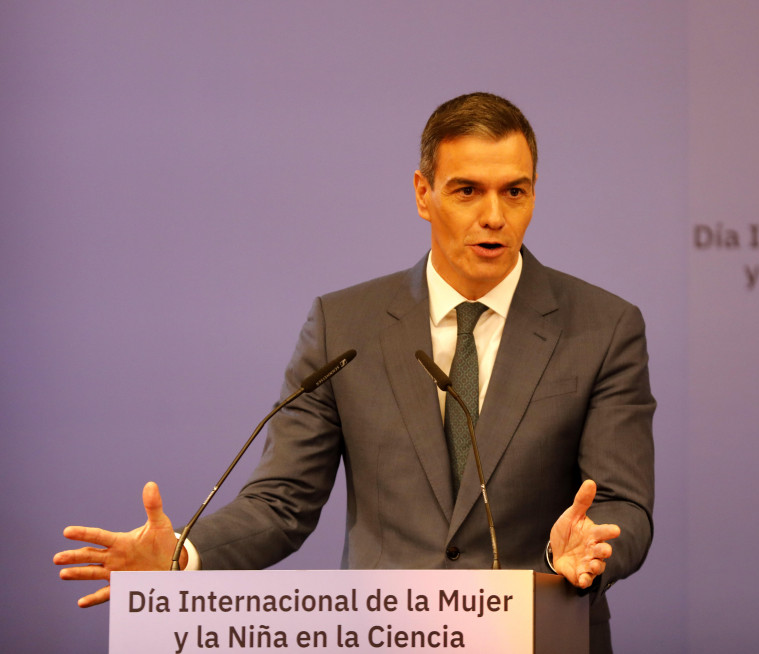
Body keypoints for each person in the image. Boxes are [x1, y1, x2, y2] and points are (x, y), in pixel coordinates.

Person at [54, 92, 655, 653]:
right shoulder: (344, 326)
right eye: (467, 191)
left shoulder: (603, 327)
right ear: (424, 194)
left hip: (538, 636)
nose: (494, 216)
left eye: (514, 192)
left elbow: (625, 504)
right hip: (384, 637)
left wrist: (583, 552)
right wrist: (185, 555)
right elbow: (281, 501)